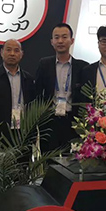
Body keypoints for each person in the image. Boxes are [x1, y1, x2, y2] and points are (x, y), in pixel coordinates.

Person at [34, 23, 88, 152]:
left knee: (72, 158)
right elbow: (37, 93)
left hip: (73, 121)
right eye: (56, 37)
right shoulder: (44, 64)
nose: (60, 41)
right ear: (52, 42)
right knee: (48, 158)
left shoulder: (82, 67)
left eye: (64, 37)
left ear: (72, 41)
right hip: (50, 121)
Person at [0, 39, 36, 137]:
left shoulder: (28, 79)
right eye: (8, 50)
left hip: (23, 132)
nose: (12, 54)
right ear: (1, 52)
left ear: (21, 54)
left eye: (16, 50)